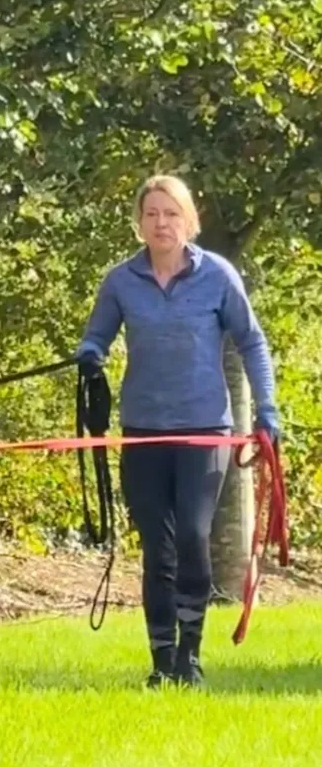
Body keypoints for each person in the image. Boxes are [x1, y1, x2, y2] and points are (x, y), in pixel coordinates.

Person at [75, 174, 280, 688]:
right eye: (151, 214)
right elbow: (96, 336)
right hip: (142, 430)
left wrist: (267, 412)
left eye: (171, 213)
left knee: (192, 535)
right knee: (157, 548)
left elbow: (252, 344)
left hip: (205, 431)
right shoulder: (121, 281)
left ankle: (190, 656)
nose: (161, 223)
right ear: (139, 223)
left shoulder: (218, 276)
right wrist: (90, 355)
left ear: (189, 221)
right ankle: (161, 660)